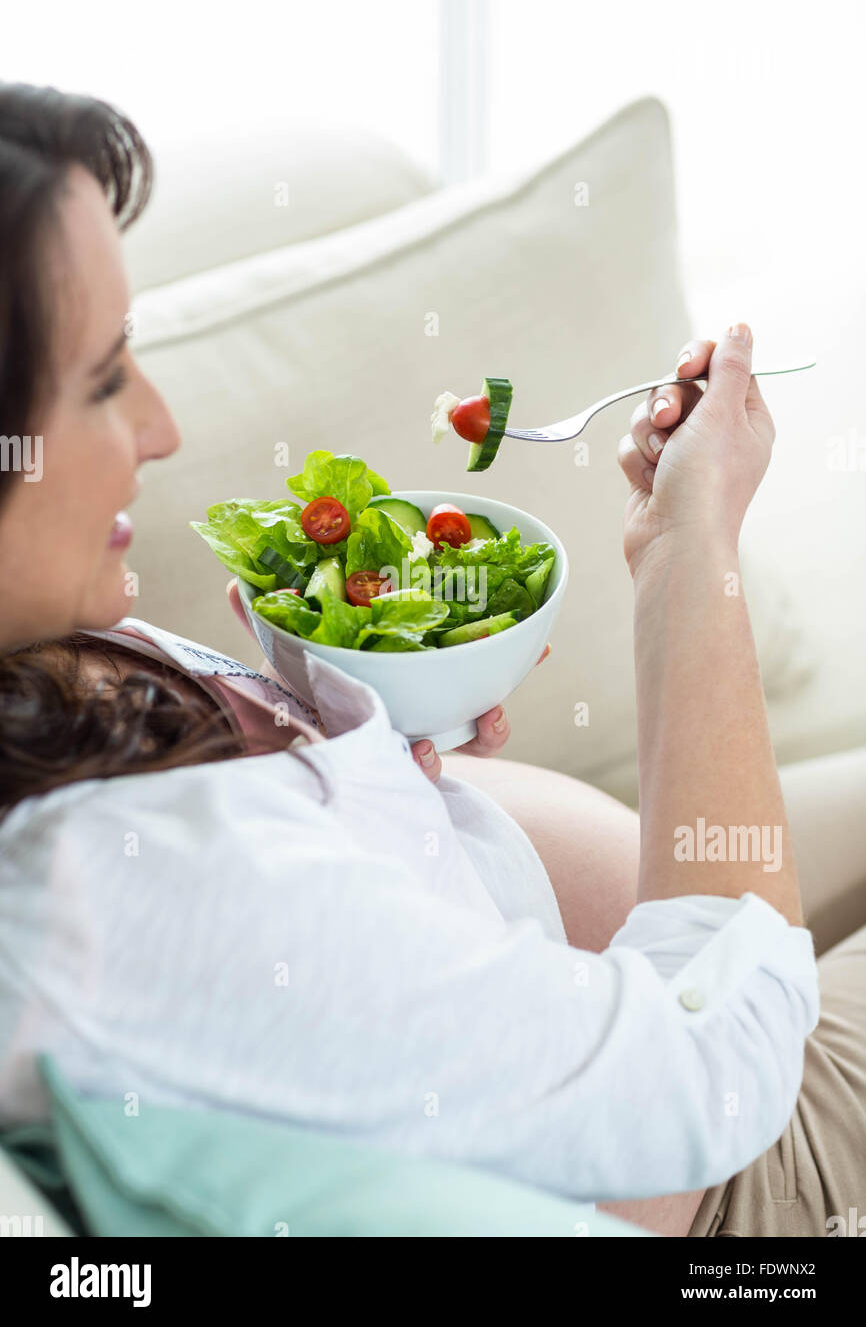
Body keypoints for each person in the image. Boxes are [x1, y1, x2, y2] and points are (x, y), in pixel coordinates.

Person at [0, 84, 863, 1240]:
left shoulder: (47, 660)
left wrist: (364, 775)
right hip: (755, 1156)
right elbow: (716, 1065)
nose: (160, 428)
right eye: (103, 378)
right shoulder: (99, 890)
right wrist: (687, 549)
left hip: (680, 949)